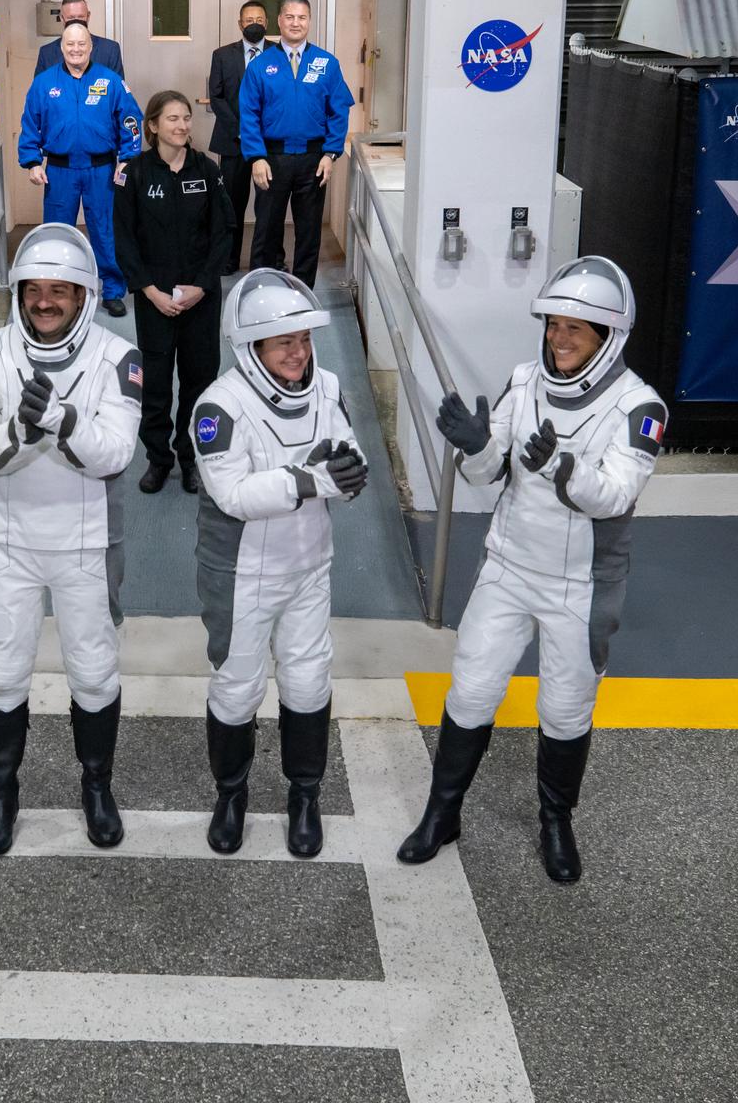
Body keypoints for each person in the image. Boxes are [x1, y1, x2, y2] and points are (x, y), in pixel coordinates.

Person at [396, 257, 666, 885]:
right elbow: (490, 476)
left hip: (582, 585)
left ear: (609, 337)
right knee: (469, 690)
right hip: (510, 566)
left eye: (577, 328)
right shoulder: (525, 381)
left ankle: (555, 821)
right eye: (554, 324)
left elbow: (617, 495)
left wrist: (559, 466)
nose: (560, 338)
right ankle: (443, 813)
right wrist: (475, 446)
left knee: (567, 710)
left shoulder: (640, 407)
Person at [0, 223, 143, 856]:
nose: (45, 301)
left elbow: (115, 454)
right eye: (34, 289)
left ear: (85, 293)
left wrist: (62, 420)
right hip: (10, 541)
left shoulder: (119, 358)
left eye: (60, 290)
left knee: (94, 673)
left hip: (87, 544)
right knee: (3, 674)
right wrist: (24, 432)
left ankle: (96, 786)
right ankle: (2, 791)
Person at [190, 270, 368, 858]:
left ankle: (305, 795)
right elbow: (233, 494)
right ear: (251, 347)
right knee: (238, 687)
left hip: (309, 563)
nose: (298, 351)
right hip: (242, 574)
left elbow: (346, 446)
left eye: (304, 339)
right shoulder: (218, 407)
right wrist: (313, 478)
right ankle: (232, 794)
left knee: (308, 680)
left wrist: (351, 470)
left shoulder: (328, 386)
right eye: (283, 341)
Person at [114, 89, 233, 496]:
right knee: (157, 385)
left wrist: (201, 286)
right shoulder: (134, 173)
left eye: (186, 118)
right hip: (156, 301)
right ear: (152, 126)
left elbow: (224, 233)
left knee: (201, 382)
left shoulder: (208, 170)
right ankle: (158, 459)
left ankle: (192, 457)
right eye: (172, 119)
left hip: (201, 297)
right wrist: (150, 291)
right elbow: (124, 240)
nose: (182, 125)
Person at [21, 20, 143, 317]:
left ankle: (112, 290)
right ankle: (58, 291)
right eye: (70, 44)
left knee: (105, 231)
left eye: (82, 44)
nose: (76, 50)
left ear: (91, 47)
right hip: (60, 172)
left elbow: (131, 121)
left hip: (101, 170)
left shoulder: (110, 81)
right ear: (61, 48)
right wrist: (32, 161)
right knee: (57, 233)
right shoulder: (44, 83)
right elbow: (30, 123)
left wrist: (127, 158)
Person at [238, 0, 353, 288]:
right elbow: (248, 114)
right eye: (289, 17)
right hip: (271, 159)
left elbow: (339, 111)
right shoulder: (261, 65)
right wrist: (256, 157)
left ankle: (303, 291)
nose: (295, 23)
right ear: (279, 21)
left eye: (302, 17)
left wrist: (331, 153)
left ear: (310, 21)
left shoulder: (327, 63)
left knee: (309, 230)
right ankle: (260, 290)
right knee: (266, 229)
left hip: (314, 160)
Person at [206, 1, 271, 272]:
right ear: (240, 24)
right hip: (233, 142)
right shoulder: (222, 55)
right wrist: (242, 129)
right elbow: (217, 96)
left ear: (267, 24)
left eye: (259, 19)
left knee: (268, 205)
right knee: (231, 203)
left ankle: (267, 259)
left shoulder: (279, 54)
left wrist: (258, 131)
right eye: (248, 19)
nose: (253, 23)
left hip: (269, 144)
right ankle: (229, 258)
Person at [34, 0, 124, 77]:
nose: (76, 21)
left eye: (81, 17)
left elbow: (119, 91)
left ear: (88, 17)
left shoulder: (110, 49)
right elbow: (38, 91)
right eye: (71, 17)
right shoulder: (47, 53)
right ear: (62, 18)